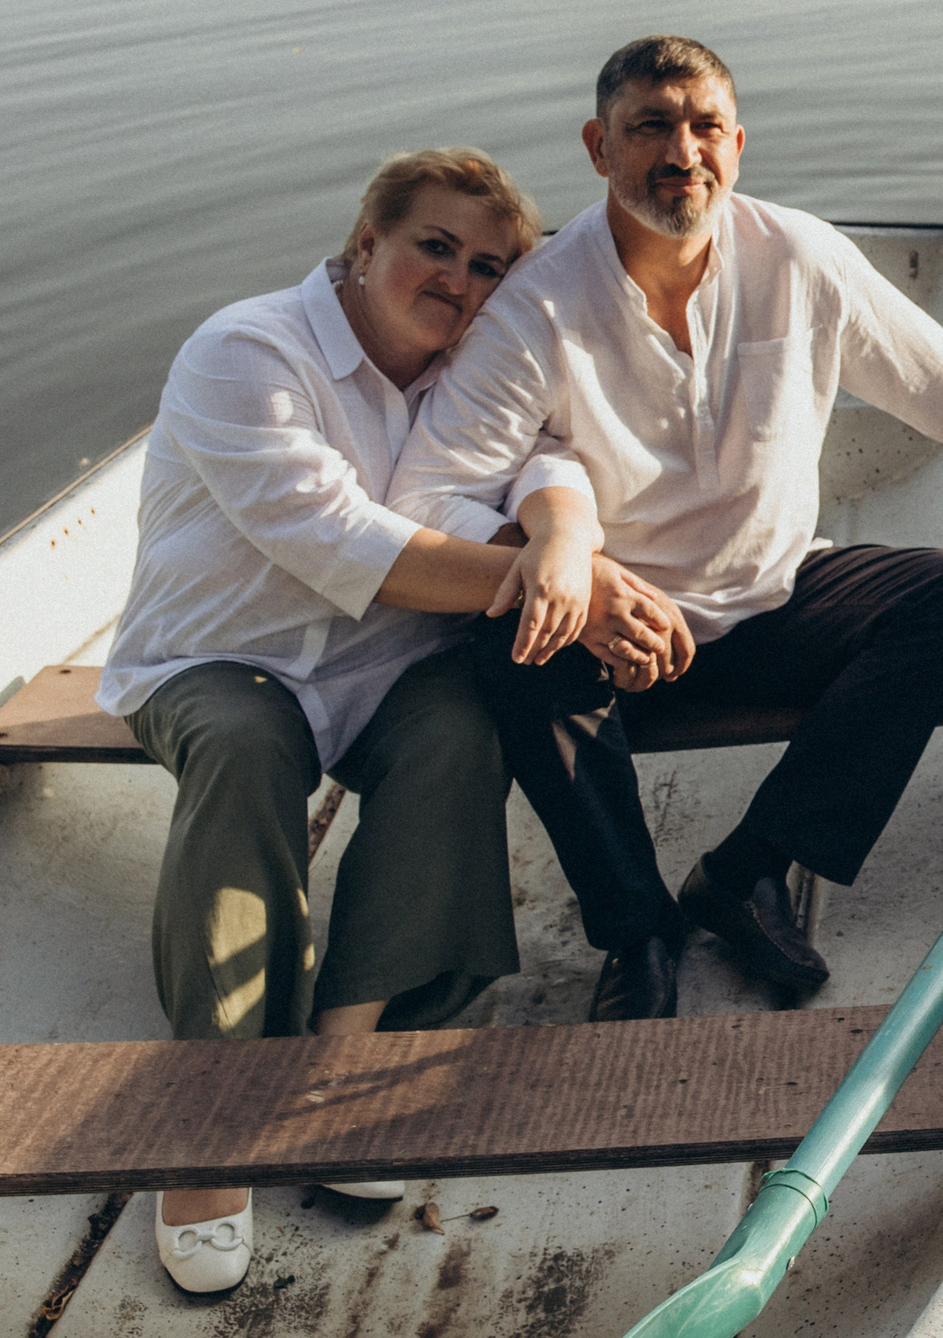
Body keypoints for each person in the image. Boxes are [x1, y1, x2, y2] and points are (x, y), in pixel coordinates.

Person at [388, 35, 943, 1026]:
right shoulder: (537, 306)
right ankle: (636, 930)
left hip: (775, 599)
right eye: (650, 128)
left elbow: (923, 372)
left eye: (705, 126)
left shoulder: (799, 256)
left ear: (738, 144)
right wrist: (568, 576)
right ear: (598, 147)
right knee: (512, 643)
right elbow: (426, 496)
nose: (682, 152)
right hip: (623, 643)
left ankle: (747, 872)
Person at [101, 150, 679, 1295]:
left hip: (382, 663)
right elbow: (337, 542)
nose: (460, 281)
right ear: (364, 244)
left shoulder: (470, 362)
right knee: (246, 741)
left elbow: (547, 456)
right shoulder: (247, 351)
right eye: (436, 247)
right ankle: (215, 1110)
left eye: (487, 267)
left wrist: (567, 541)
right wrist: (578, 593)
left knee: (461, 729)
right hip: (217, 658)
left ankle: (352, 1050)